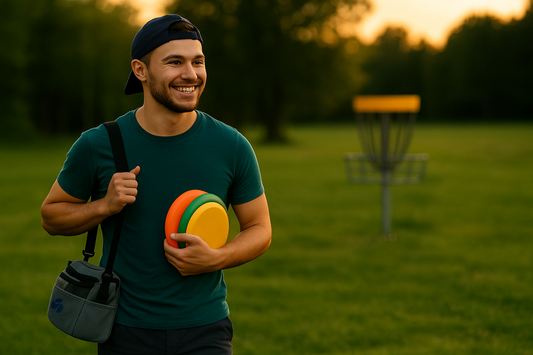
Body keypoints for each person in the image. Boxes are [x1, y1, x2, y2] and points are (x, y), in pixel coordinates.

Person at [41, 14, 272, 355]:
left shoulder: (231, 145)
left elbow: (260, 228)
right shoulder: (99, 144)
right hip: (124, 330)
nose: (190, 74)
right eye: (174, 62)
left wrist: (216, 257)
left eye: (198, 62)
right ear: (140, 70)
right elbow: (51, 217)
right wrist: (103, 206)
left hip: (205, 328)